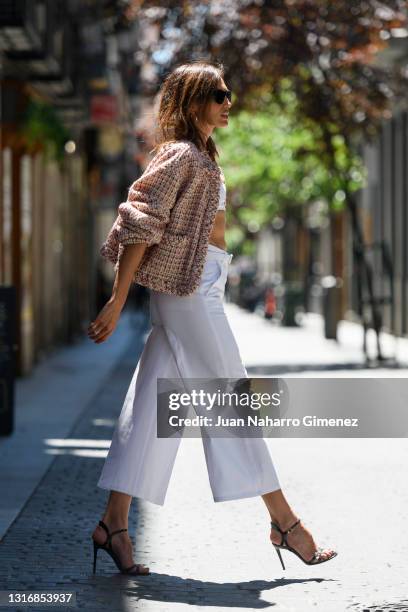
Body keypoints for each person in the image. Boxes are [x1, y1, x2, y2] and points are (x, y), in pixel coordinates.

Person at [88, 60, 337, 576]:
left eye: (228, 93)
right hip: (189, 293)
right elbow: (140, 218)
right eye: (218, 94)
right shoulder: (181, 155)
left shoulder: (201, 155)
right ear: (192, 102)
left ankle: (113, 523)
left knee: (152, 411)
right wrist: (117, 298)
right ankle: (284, 521)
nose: (229, 102)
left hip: (202, 287)